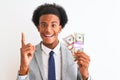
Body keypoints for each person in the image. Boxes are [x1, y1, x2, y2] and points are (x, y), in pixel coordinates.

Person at [17, 3, 92, 80]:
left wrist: (85, 75)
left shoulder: (74, 53)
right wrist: (23, 67)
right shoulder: (29, 55)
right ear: (38, 27)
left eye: (53, 25)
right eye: (43, 25)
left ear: (60, 28)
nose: (48, 30)